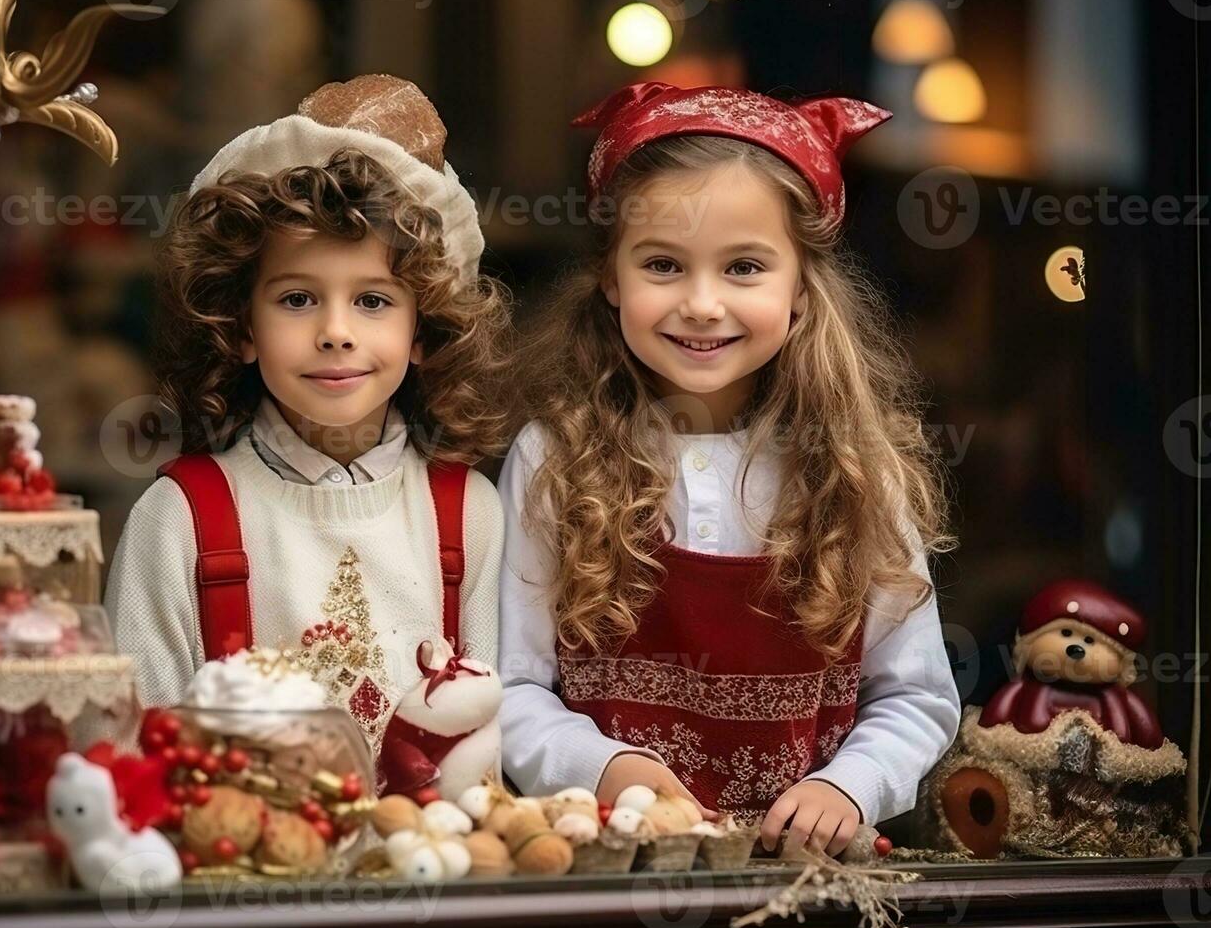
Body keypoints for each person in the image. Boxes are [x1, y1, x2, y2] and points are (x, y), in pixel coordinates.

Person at [499, 82, 960, 857]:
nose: (703, 303)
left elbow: (913, 694)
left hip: (804, 886)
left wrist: (850, 785)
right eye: (663, 265)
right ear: (611, 278)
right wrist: (602, 766)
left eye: (744, 267)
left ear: (803, 290)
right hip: (605, 869)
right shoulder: (554, 459)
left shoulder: (854, 472)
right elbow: (510, 685)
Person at [106, 75, 511, 756]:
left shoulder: (467, 514)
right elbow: (129, 755)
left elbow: (486, 751)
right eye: (296, 300)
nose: (335, 332)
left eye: (374, 301)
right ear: (239, 326)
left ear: (423, 331)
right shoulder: (180, 519)